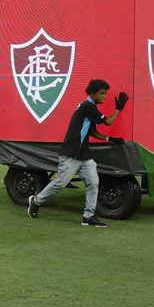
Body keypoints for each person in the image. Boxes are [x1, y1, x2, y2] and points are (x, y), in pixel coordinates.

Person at [26, 80, 128, 227]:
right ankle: (36, 201)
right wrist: (119, 108)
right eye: (101, 93)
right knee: (61, 183)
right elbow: (108, 122)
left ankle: (88, 216)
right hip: (70, 153)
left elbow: (92, 132)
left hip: (84, 155)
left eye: (105, 93)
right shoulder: (88, 106)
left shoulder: (88, 108)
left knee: (93, 183)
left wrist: (110, 138)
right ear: (91, 93)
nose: (104, 96)